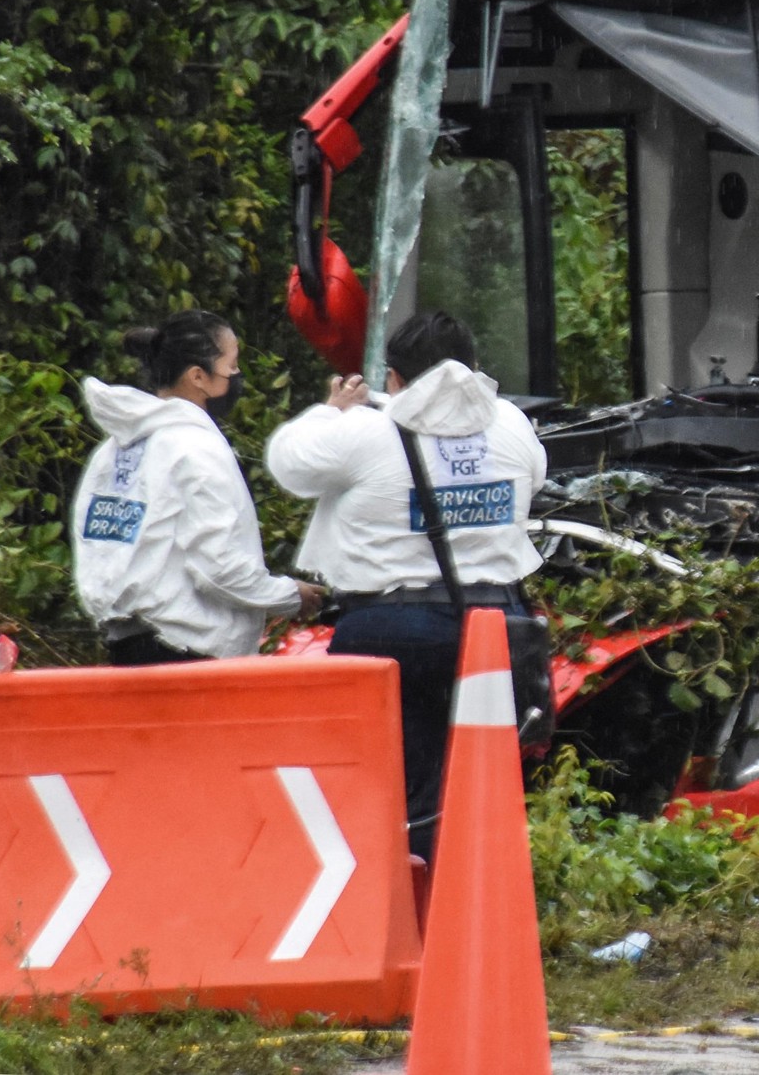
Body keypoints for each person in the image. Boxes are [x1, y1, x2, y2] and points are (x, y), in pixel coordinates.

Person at [266, 311, 546, 858]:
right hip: (493, 628)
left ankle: (402, 900)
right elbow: (532, 479)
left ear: (393, 378)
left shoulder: (363, 431)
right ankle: (470, 894)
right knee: (479, 783)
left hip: (388, 630)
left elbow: (287, 465)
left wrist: (331, 411)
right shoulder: (511, 422)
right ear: (476, 369)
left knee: (387, 785)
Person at [72, 310, 322, 664]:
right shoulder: (195, 448)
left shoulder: (115, 450)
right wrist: (288, 595)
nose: (237, 377)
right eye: (232, 366)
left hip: (126, 642)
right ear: (198, 377)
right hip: (187, 649)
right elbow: (217, 568)